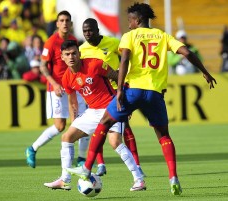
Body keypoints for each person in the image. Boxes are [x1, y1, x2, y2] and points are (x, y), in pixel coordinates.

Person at [66, 2, 217, 196]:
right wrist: (204, 72)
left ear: (137, 20)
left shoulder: (130, 36)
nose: (128, 24)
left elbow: (125, 60)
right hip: (155, 93)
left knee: (104, 122)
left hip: (133, 90)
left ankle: (86, 168)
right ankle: (173, 178)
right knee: (163, 136)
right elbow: (187, 52)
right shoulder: (163, 36)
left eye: (130, 20)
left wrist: (119, 90)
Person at [43, 40, 145, 191]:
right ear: (62, 57)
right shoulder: (66, 77)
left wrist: (124, 103)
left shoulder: (95, 64)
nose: (71, 57)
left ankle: (139, 180)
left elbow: (118, 77)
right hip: (92, 111)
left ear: (79, 54)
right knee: (67, 137)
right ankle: (65, 179)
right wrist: (74, 122)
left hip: (111, 108)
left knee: (114, 142)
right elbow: (72, 103)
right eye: (67, 54)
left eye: (74, 53)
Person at [79, 18, 145, 177]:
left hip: (116, 92)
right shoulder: (81, 49)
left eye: (90, 30)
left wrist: (126, 81)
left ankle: (137, 164)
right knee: (98, 129)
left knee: (125, 128)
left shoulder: (113, 43)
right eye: (85, 31)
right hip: (97, 94)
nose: (88, 33)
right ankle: (100, 163)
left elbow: (127, 59)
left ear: (97, 30)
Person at [25, 11, 88, 169]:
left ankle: (81, 158)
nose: (65, 23)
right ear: (57, 24)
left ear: (71, 24)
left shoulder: (74, 40)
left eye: (67, 20)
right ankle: (32, 148)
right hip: (57, 89)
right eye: (62, 20)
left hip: (74, 87)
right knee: (60, 126)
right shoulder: (50, 42)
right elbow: (43, 66)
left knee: (80, 124)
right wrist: (54, 83)